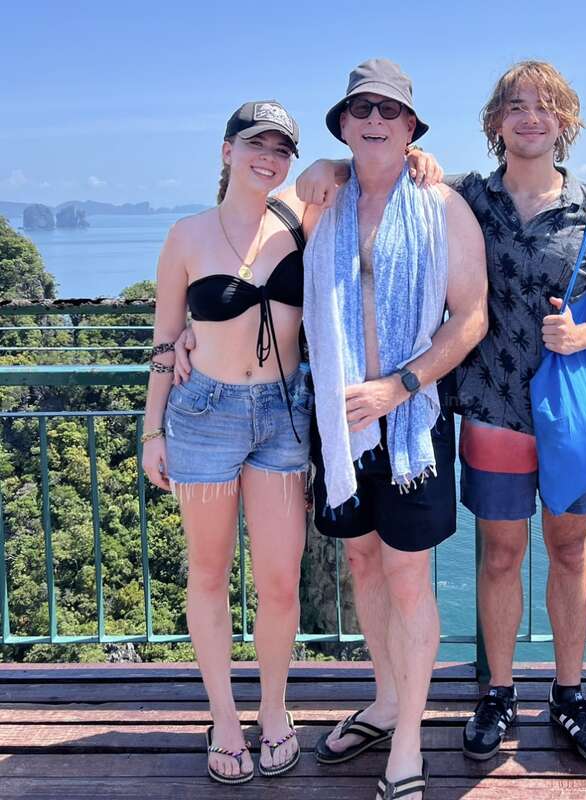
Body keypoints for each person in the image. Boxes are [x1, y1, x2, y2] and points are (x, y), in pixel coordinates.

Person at [300, 58, 586, 769]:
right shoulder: (466, 196)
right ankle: (497, 692)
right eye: (516, 106)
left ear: (565, 121)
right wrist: (328, 167)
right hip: (490, 406)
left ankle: (570, 694)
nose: (530, 117)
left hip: (569, 412)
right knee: (501, 554)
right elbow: (385, 168)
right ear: (495, 123)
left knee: (570, 550)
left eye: (544, 106)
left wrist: (584, 335)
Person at [301, 58, 487, 800]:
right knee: (363, 564)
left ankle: (408, 737)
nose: (374, 120)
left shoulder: (441, 205)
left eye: (389, 110)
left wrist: (399, 385)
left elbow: (471, 318)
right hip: (341, 427)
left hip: (411, 423)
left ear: (410, 126)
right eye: (361, 109)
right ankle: (383, 701)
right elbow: (247, 236)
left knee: (408, 576)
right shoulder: (320, 200)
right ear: (343, 125)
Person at [142, 100, 314, 785]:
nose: (267, 159)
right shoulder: (187, 236)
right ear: (226, 151)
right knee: (209, 573)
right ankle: (223, 717)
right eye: (254, 145)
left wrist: (419, 158)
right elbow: (164, 342)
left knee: (279, 579)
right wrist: (152, 429)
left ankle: (273, 708)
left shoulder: (298, 221)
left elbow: (353, 169)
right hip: (205, 415)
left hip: (282, 415)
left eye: (280, 149)